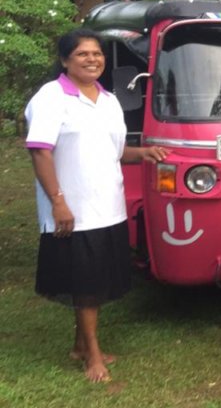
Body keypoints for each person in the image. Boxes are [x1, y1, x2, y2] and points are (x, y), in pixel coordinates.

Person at [25, 29, 167, 383]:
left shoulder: (108, 100)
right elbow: (40, 150)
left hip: (108, 205)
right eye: (82, 54)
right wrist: (58, 202)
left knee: (92, 281)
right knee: (86, 284)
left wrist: (143, 153)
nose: (92, 59)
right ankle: (93, 355)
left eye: (97, 54)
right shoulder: (52, 97)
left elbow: (114, 150)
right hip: (73, 208)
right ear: (65, 60)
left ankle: (79, 345)